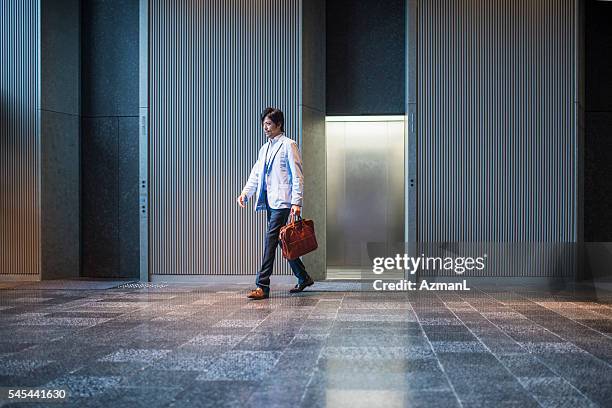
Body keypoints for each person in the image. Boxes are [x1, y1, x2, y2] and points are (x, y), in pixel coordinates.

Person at [236, 107, 314, 300]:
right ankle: (303, 277)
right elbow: (256, 174)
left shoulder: (289, 145)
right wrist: (246, 193)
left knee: (270, 240)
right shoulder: (265, 148)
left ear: (279, 124)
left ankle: (262, 286)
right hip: (270, 201)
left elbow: (297, 175)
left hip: (284, 201)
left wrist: (297, 202)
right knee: (282, 240)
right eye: (263, 124)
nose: (265, 127)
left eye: (269, 124)